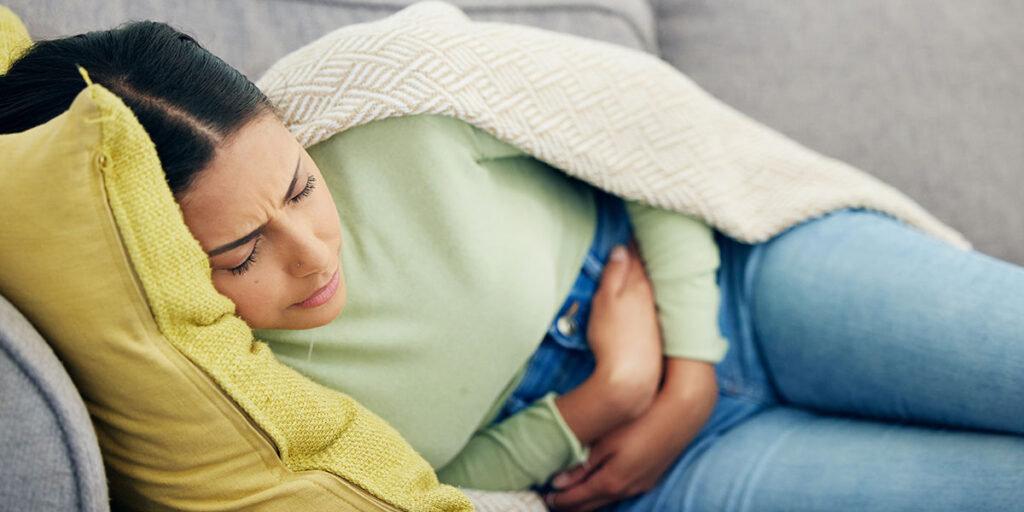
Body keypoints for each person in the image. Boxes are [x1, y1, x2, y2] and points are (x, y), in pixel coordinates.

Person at [2, 21, 1022, 512]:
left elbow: (645, 141)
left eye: (303, 187)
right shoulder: (259, 400)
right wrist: (602, 400)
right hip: (654, 476)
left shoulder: (390, 113)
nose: (313, 254)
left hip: (746, 285)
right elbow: (442, 481)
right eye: (240, 253)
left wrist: (690, 361)